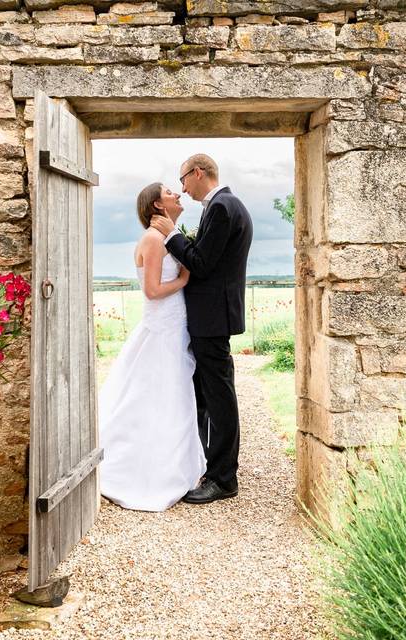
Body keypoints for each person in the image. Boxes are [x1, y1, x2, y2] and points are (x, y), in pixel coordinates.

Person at [149, 153, 253, 504]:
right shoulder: (224, 205)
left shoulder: (222, 207)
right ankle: (211, 467)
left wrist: (173, 234)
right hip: (213, 316)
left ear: (197, 173)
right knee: (210, 395)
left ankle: (224, 478)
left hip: (213, 318)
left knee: (219, 396)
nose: (181, 188)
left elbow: (203, 265)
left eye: (182, 180)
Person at [97, 183, 206, 512]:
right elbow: (153, 291)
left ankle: (179, 467)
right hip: (163, 329)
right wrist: (185, 280)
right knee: (159, 397)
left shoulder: (166, 237)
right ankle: (146, 474)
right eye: (171, 192)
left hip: (174, 327)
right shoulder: (153, 239)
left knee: (174, 397)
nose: (178, 195)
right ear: (158, 204)